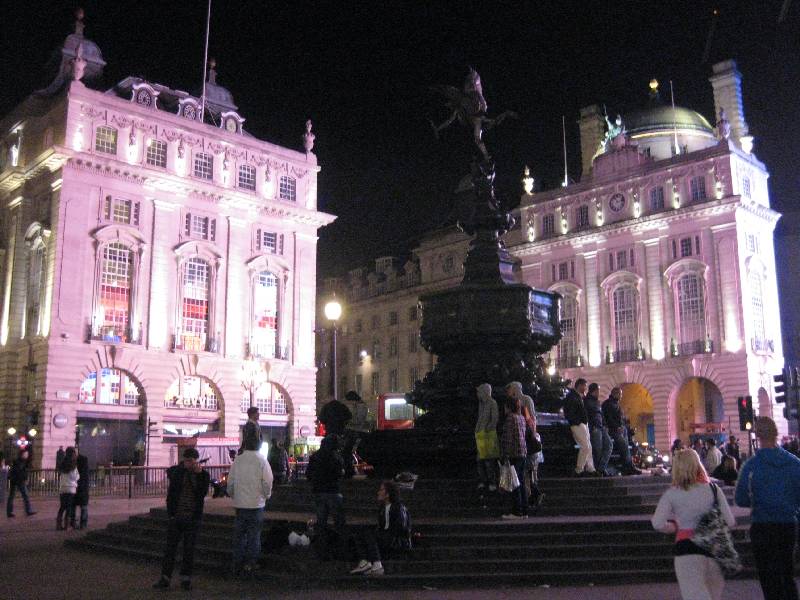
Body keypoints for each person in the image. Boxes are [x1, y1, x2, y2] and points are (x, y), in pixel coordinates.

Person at [651, 449, 736, 600]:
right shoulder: (713, 489)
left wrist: (673, 526)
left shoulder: (672, 493)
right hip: (714, 548)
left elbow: (657, 523)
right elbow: (730, 521)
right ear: (698, 465)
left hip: (686, 549)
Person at [735, 416, 800, 600]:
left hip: (762, 525)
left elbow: (741, 498)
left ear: (758, 436)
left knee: (768, 576)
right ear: (776, 434)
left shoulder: (752, 465)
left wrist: (756, 502)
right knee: (787, 573)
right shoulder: (794, 463)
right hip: (787, 524)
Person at [153, 447, 210, 591]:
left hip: (192, 517)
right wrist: (171, 514)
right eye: (186, 460)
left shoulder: (204, 475)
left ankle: (186, 578)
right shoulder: (178, 472)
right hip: (176, 516)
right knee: (170, 549)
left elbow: (202, 493)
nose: (189, 463)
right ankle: (165, 578)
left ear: (196, 461)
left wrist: (198, 475)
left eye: (191, 461)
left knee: (189, 549)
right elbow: (170, 475)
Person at [227, 432, 274, 576]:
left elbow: (231, 483)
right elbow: (267, 482)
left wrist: (234, 496)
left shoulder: (238, 460)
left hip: (240, 505)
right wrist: (266, 496)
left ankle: (237, 563)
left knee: (239, 536)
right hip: (256, 504)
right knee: (254, 536)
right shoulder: (262, 461)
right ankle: (250, 563)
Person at [349, 480, 411, 576]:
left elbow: (401, 527)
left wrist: (386, 534)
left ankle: (377, 563)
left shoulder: (398, 507)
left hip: (397, 540)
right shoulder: (382, 508)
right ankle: (365, 561)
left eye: (381, 490)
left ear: (388, 494)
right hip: (386, 536)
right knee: (362, 533)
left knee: (370, 534)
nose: (378, 492)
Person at [506, 381, 544, 507]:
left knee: (528, 471)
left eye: (510, 389)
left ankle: (532, 496)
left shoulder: (525, 401)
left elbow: (531, 418)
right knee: (527, 471)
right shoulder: (519, 402)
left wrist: (532, 432)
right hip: (526, 438)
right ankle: (531, 497)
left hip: (526, 438)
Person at [306, 435, 346, 532]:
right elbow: (340, 473)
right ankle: (339, 540)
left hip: (319, 491)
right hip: (333, 490)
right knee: (338, 520)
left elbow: (308, 474)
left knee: (321, 520)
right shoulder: (336, 457)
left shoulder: (315, 456)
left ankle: (322, 540)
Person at [602, 387, 641, 475]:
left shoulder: (616, 404)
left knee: (626, 445)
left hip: (619, 429)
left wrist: (623, 426)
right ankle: (629, 466)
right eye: (620, 394)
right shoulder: (608, 404)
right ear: (615, 394)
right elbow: (608, 418)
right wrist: (617, 427)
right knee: (624, 446)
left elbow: (620, 418)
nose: (621, 396)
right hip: (612, 430)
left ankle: (628, 466)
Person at [500, 395, 528, 518]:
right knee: (520, 482)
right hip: (522, 452)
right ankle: (524, 510)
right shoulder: (521, 417)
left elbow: (508, 438)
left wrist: (504, 453)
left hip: (514, 453)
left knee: (515, 483)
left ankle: (517, 511)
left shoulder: (510, 418)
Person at [563, 378, 596, 476]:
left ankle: (590, 468)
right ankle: (579, 469)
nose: (586, 388)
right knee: (585, 446)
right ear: (580, 385)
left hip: (582, 424)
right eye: (585, 385)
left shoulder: (578, 396)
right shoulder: (572, 397)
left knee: (588, 447)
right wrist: (577, 422)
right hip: (577, 424)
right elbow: (570, 412)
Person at [474, 383, 499, 491]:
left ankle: (491, 482)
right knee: (480, 460)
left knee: (489, 461)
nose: (477, 394)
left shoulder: (492, 403)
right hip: (480, 435)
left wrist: (488, 429)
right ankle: (483, 481)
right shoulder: (482, 404)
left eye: (479, 392)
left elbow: (494, 419)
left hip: (487, 436)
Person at [585, 383, 612, 476]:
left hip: (601, 427)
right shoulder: (587, 401)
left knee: (609, 445)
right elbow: (588, 416)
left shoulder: (597, 402)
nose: (599, 392)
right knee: (598, 450)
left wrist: (605, 425)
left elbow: (601, 415)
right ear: (595, 390)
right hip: (594, 428)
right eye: (598, 390)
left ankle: (601, 468)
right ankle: (599, 470)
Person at [6, 449, 36, 517]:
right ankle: (28, 510)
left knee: (12, 496)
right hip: (19, 480)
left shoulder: (21, 461)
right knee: (25, 495)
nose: (27, 455)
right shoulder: (20, 462)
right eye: (26, 454)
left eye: (27, 454)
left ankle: (9, 512)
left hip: (15, 480)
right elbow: (20, 471)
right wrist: (24, 478)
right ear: (22, 454)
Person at [56, 447, 79, 530]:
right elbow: (74, 477)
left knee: (62, 507)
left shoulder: (63, 464)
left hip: (63, 488)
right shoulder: (73, 465)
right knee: (69, 507)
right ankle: (67, 525)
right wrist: (78, 476)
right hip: (71, 488)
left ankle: (58, 525)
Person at [73, 450, 90, 529]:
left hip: (78, 487)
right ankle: (83, 524)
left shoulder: (73, 462)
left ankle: (78, 523)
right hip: (80, 487)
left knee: (80, 506)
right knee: (83, 506)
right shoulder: (82, 461)